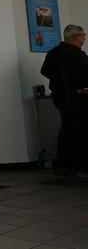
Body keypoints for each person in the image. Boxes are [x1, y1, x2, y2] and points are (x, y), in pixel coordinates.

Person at [41, 24, 88, 177]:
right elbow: (81, 75)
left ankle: (66, 163)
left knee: (69, 128)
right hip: (69, 97)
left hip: (63, 95)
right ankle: (71, 163)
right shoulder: (71, 54)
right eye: (83, 35)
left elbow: (45, 70)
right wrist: (64, 83)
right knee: (74, 129)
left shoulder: (56, 52)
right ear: (75, 37)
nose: (84, 39)